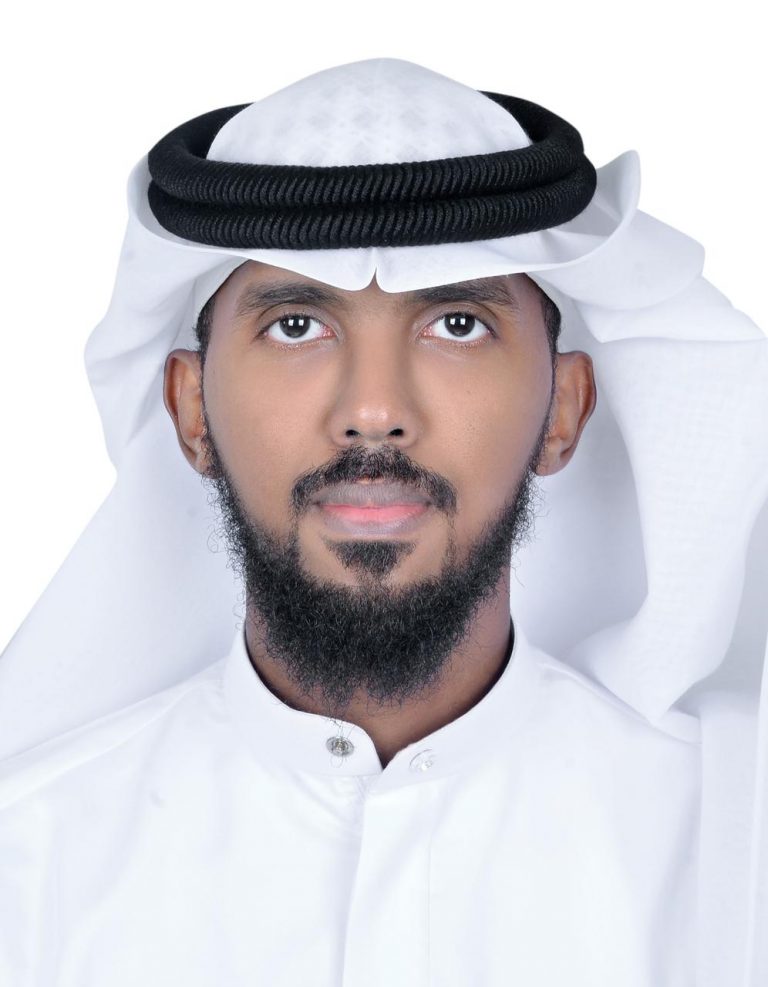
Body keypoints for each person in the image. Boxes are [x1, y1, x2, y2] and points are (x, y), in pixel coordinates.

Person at [1, 58, 766, 987]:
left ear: (563, 410)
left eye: (457, 324)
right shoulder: (31, 871)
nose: (373, 411)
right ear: (192, 410)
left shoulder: (727, 861)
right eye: (295, 325)